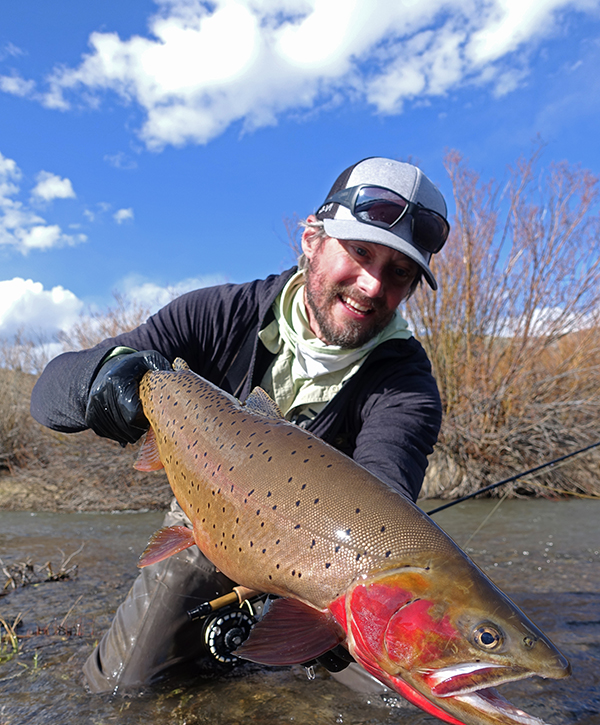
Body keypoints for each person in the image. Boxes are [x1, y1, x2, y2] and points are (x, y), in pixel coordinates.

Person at [30, 156, 449, 693]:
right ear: (312, 240)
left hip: (330, 567)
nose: (372, 285)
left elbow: (386, 495)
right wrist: (106, 375)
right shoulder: (218, 315)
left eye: (398, 272)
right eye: (361, 252)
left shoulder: (408, 386)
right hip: (210, 529)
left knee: (405, 692)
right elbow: (50, 392)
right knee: (124, 689)